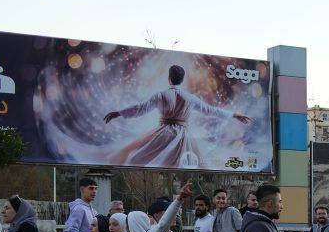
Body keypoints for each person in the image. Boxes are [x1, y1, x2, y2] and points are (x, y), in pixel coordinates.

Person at [103, 64, 252, 169]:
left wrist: (119, 113)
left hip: (162, 133)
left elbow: (141, 108)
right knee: (188, 164)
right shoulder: (190, 98)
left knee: (137, 159)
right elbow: (210, 110)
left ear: (169, 78)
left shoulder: (161, 94)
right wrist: (234, 115)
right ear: (182, 80)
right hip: (183, 136)